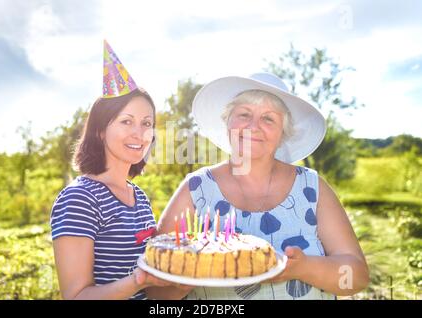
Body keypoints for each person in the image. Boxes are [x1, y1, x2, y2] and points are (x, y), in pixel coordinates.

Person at [157, 73, 370, 299]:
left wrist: (302, 268)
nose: (253, 126)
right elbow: (155, 290)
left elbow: (356, 277)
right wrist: (184, 278)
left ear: (283, 133)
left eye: (268, 119)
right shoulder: (195, 188)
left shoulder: (312, 187)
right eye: (244, 114)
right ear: (227, 122)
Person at [50, 40, 185, 299]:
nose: (140, 133)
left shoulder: (139, 197)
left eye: (147, 123)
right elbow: (76, 296)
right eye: (126, 121)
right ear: (100, 130)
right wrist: (137, 281)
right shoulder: (79, 199)